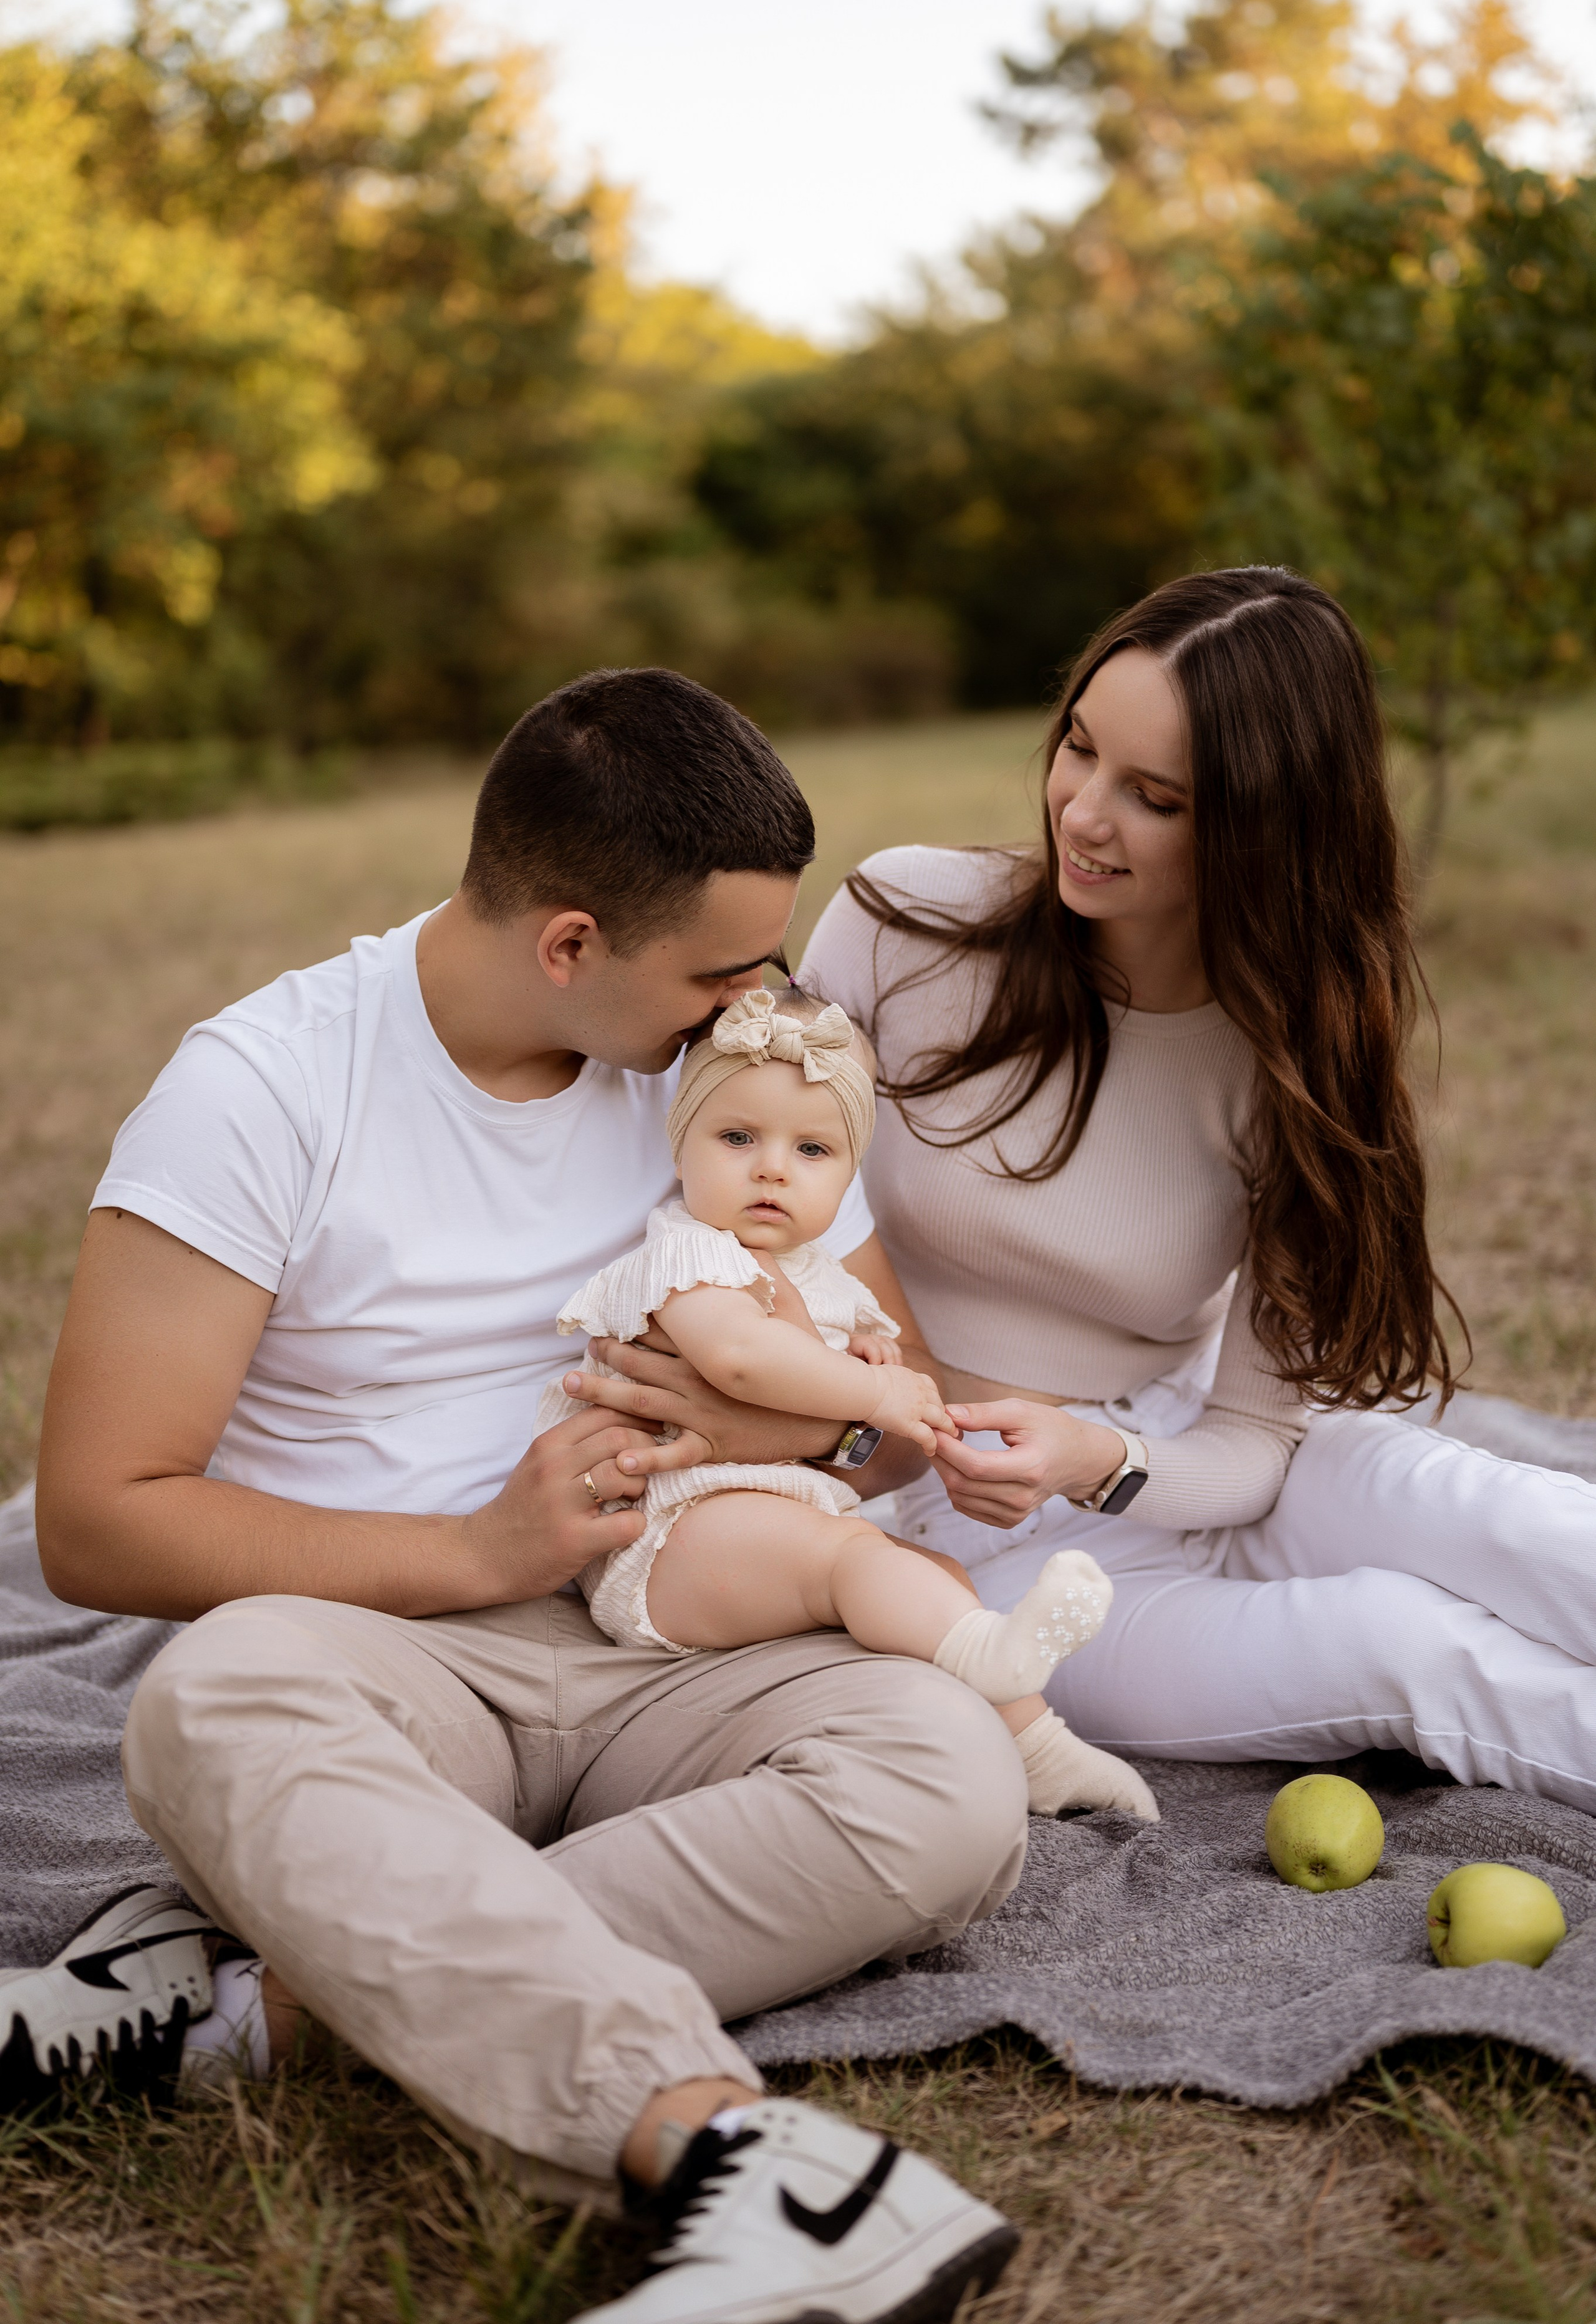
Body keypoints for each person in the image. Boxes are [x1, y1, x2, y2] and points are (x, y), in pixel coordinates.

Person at [24, 668, 1026, 2324]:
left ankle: (263, 2008)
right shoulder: (264, 1090)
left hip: (691, 1629)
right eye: (719, 968)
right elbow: (98, 1518)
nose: (756, 1002)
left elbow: (892, 1407)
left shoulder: (720, 1081)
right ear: (570, 944)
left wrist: (783, 1434)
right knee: (210, 1705)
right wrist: (476, 1548)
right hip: (395, 1654)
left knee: (951, 1774)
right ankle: (739, 2162)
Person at [789, 565, 1596, 1813]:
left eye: (1152, 796)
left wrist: (1098, 1450)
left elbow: (1249, 1443)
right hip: (975, 1540)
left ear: (1266, 827)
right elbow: (736, 1187)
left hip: (1159, 1453)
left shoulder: (1289, 1053)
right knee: (1407, 1647)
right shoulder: (901, 926)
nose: (1082, 812)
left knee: (1506, 1519)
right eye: (1077, 748)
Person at [540, 981, 1155, 1820]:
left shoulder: (822, 1276)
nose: (771, 1168)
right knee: (853, 1563)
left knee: (928, 1574)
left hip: (767, 1526)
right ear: (681, 1144)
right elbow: (741, 1358)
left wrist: (869, 1351)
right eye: (737, 1137)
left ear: (849, 1173)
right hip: (669, 1543)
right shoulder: (688, 1253)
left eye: (812, 1152)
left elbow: (836, 1371)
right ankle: (997, 1664)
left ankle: (1040, 1745)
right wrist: (871, 1388)